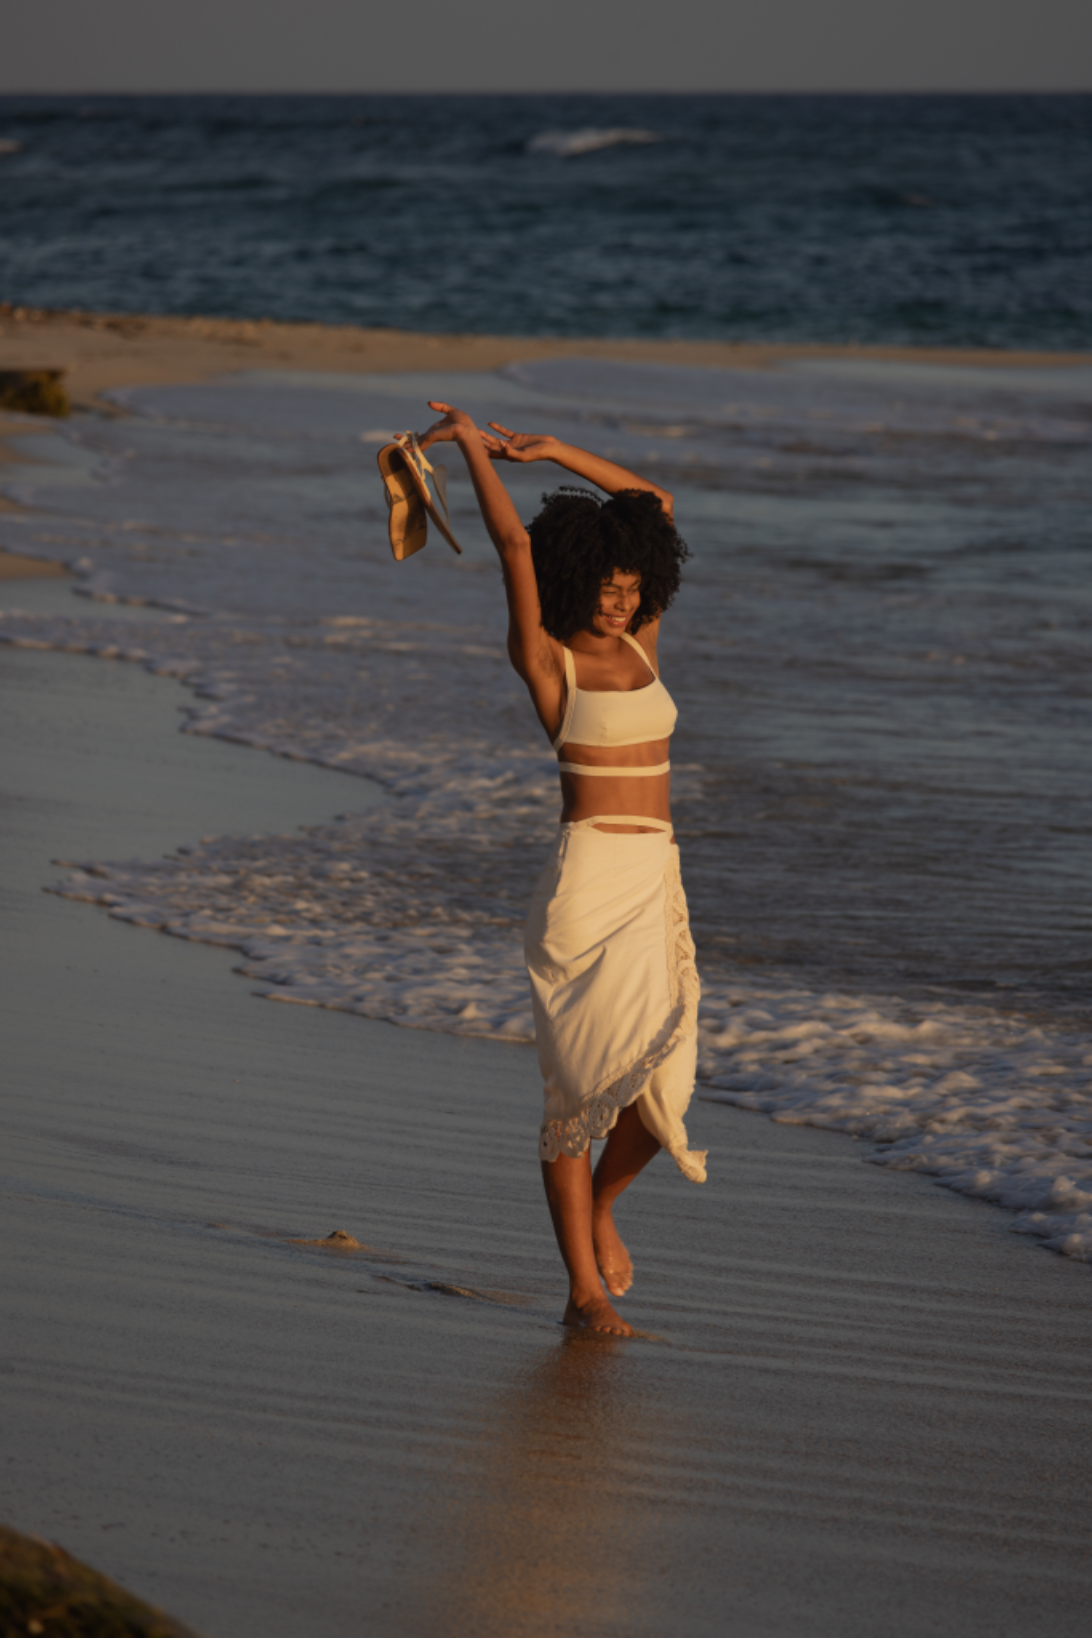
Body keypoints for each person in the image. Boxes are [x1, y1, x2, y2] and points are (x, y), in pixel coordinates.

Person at [418, 402, 706, 1337]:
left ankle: (602, 1209)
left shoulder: (639, 643)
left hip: (656, 877)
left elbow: (652, 502)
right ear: (576, 578)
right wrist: (470, 446)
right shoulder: (548, 661)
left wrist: (557, 451)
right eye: (608, 586)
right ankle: (583, 1295)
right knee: (580, 1094)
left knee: (663, 1090)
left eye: (632, 586)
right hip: (587, 886)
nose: (621, 601)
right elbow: (509, 543)